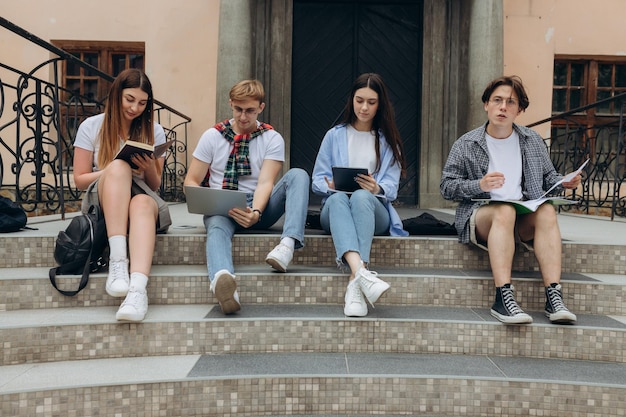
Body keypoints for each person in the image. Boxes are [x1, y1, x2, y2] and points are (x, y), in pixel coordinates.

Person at [440, 75, 581, 325]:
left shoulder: (531, 140)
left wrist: (564, 182)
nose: (503, 107)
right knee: (504, 210)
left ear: (520, 110)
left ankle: (554, 296)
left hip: (522, 215)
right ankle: (503, 297)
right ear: (487, 105)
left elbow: (549, 177)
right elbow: (446, 186)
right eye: (497, 100)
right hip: (484, 215)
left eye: (511, 102)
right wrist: (479, 184)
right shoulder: (467, 143)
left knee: (547, 211)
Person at [184, 79, 309, 315]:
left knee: (298, 175)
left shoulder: (272, 138)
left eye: (250, 110)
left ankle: (287, 245)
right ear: (231, 104)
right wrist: (206, 199)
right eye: (238, 109)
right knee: (217, 228)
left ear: (261, 108)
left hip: (261, 207)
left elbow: (265, 183)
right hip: (223, 205)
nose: (243, 117)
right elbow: (191, 180)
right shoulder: (212, 136)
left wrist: (256, 213)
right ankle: (223, 282)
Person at [73, 68, 171, 322]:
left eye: (142, 103)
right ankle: (118, 263)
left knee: (140, 203)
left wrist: (148, 168)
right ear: (116, 95)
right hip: (106, 199)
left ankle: (137, 291)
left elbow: (155, 185)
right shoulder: (91, 126)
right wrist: (115, 169)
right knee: (118, 167)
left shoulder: (154, 130)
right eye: (130, 99)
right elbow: (80, 180)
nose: (135, 108)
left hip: (142, 198)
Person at [312, 73, 408, 317]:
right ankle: (361, 276)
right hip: (335, 209)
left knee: (362, 196)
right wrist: (330, 185)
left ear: (380, 104)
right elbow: (316, 179)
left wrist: (377, 188)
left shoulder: (388, 141)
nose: (364, 107)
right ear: (351, 100)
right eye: (359, 100)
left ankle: (356, 278)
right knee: (337, 198)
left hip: (374, 212)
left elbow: (392, 188)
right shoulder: (334, 135)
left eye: (371, 102)